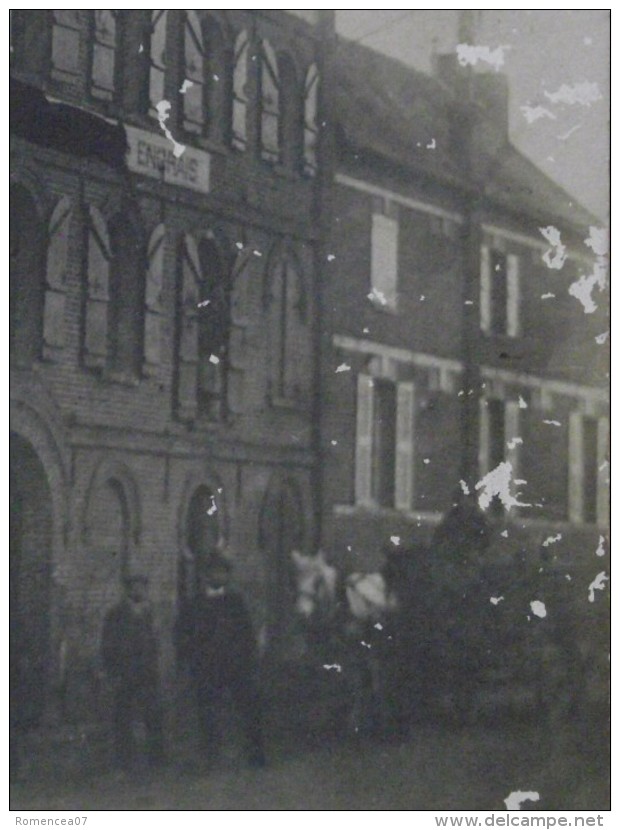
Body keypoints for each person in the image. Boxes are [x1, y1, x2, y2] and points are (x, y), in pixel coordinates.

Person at [175, 553, 266, 767]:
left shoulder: (235, 602)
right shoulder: (193, 604)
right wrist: (191, 658)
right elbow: (181, 634)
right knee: (207, 711)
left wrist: (248, 658)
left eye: (223, 572)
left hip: (236, 666)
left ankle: (255, 753)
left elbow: (247, 633)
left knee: (249, 706)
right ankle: (211, 754)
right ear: (206, 576)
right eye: (215, 572)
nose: (220, 576)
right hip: (207, 667)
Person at [101, 573, 165, 771]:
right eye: (134, 586)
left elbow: (155, 644)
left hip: (147, 673)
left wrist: (155, 666)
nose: (138, 590)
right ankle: (123, 761)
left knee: (153, 716)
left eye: (141, 586)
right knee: (123, 718)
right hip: (125, 673)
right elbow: (108, 644)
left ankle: (158, 760)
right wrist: (112, 671)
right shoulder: (116, 614)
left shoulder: (150, 614)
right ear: (127, 590)